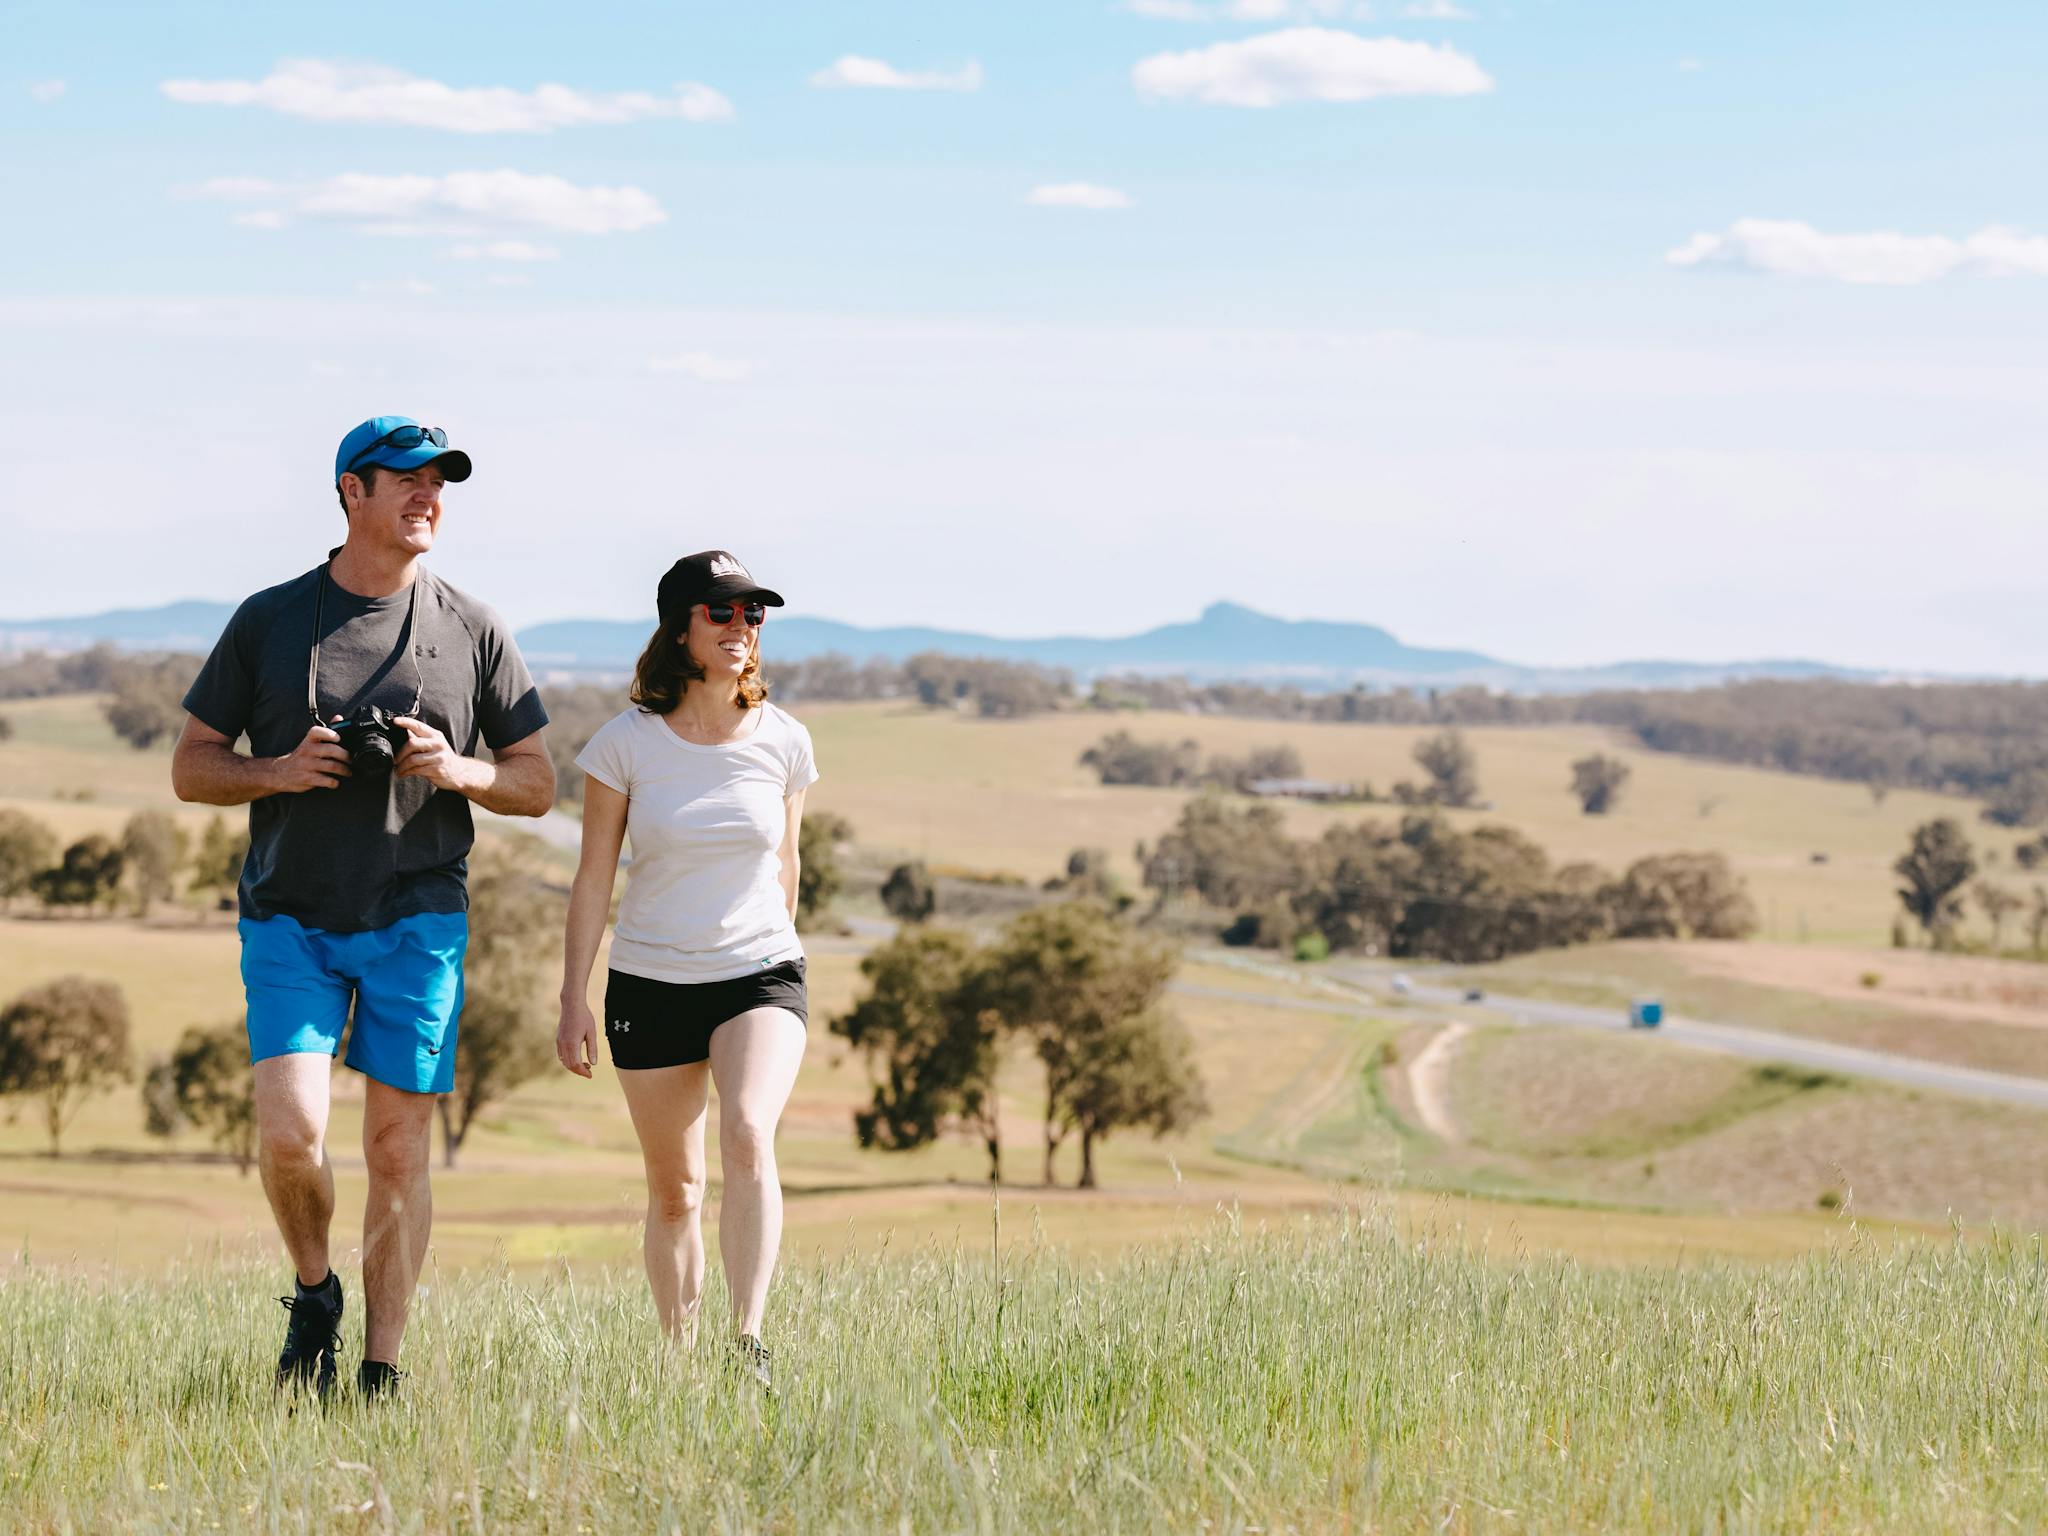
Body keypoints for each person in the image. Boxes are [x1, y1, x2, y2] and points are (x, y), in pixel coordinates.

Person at [171, 416, 555, 1400]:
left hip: (419, 921)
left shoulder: (472, 625)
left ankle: (381, 1369)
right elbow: (192, 767)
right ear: (352, 491)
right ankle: (314, 1294)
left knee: (396, 1151)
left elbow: (536, 784)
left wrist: (456, 767)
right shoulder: (268, 618)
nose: (430, 497)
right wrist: (276, 769)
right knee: (292, 1132)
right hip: (290, 916)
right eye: (408, 481)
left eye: (441, 483)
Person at [555, 549, 816, 1390]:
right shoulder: (623, 746)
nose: (742, 628)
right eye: (722, 613)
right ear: (680, 628)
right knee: (676, 1190)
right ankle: (680, 1365)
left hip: (759, 973)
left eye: (754, 615)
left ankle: (749, 1346)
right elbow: (594, 875)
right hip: (650, 981)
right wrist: (573, 998)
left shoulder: (785, 740)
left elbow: (789, 863)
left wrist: (777, 944)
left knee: (747, 1132)